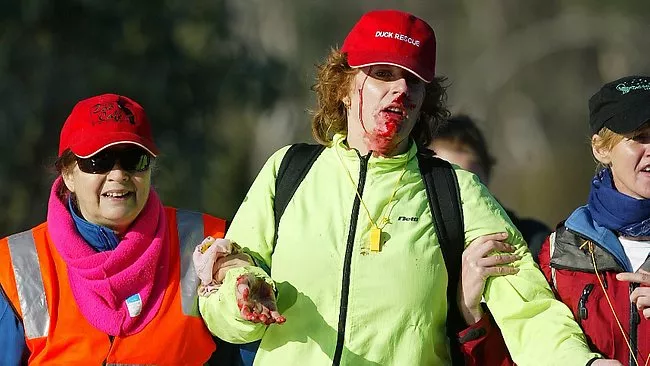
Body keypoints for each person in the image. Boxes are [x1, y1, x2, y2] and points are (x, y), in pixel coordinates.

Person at [198, 9, 616, 365]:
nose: (400, 89)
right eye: (382, 74)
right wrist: (241, 299)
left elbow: (529, 306)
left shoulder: (458, 191)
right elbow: (221, 291)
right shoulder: (286, 171)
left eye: (413, 80)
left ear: (425, 98)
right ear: (344, 87)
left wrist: (581, 362)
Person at [0, 93, 277, 364]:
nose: (119, 174)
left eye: (135, 160)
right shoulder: (13, 267)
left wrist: (242, 279)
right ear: (68, 174)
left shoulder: (212, 242)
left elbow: (250, 349)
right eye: (99, 161)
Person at [459, 75, 650, 366]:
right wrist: (472, 314)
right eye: (640, 137)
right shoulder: (559, 251)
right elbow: (520, 355)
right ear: (601, 148)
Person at [429, 114, 551, 260]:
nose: (462, 194)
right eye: (447, 183)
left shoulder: (534, 242)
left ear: (487, 176)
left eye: (472, 182)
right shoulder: (412, 243)